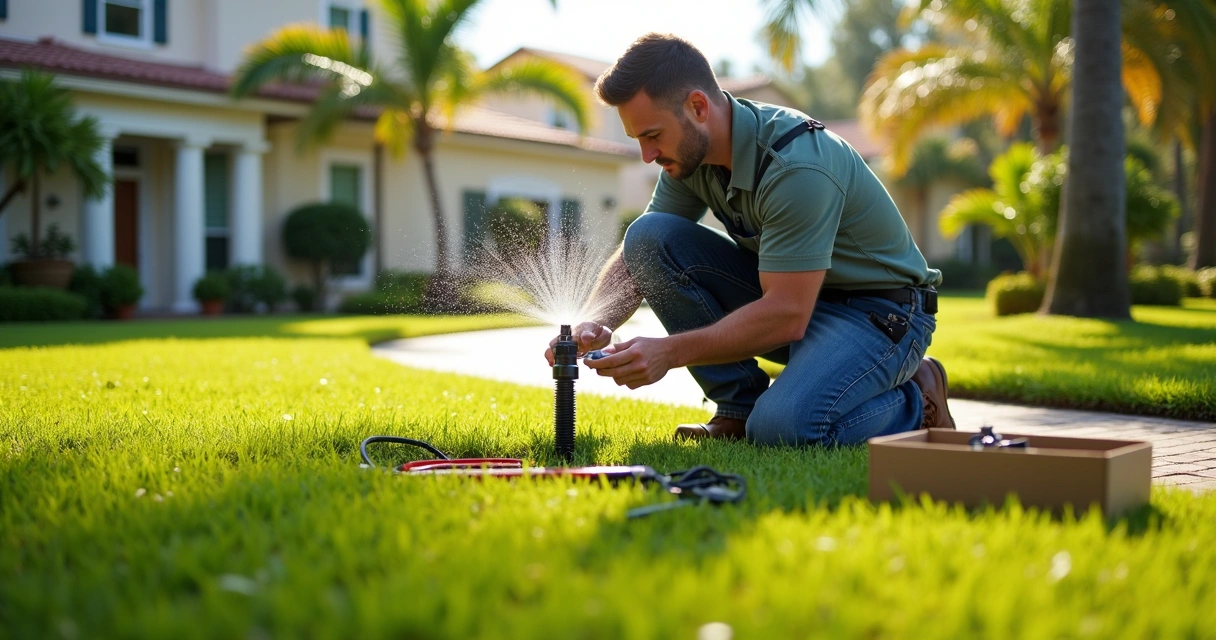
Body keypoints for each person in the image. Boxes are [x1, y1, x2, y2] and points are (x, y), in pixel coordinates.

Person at [545, 33, 955, 445]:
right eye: (638, 140)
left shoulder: (796, 168)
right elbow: (643, 250)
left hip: (881, 315)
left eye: (652, 135)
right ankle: (738, 410)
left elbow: (786, 315)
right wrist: (594, 321)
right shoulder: (690, 158)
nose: (647, 156)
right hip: (801, 302)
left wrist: (669, 352)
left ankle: (917, 399)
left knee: (783, 430)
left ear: (698, 107)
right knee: (648, 237)